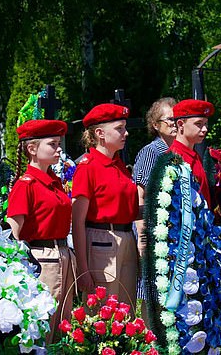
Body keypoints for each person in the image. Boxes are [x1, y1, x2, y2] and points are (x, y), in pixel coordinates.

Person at [6, 119, 75, 345]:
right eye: (52, 144)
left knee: (63, 323)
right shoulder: (26, 185)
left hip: (63, 254)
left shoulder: (53, 181)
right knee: (44, 322)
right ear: (32, 149)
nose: (59, 149)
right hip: (42, 259)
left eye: (58, 144)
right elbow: (13, 233)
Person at [71, 103, 138, 305]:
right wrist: (83, 268)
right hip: (102, 241)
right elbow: (77, 221)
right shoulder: (88, 167)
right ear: (100, 133)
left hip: (126, 238)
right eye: (119, 128)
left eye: (125, 128)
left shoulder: (119, 165)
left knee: (127, 309)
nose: (125, 134)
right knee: (103, 310)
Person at [132, 97, 176, 256]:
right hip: (154, 233)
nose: (175, 123)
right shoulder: (151, 153)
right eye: (170, 119)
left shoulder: (177, 154)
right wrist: (143, 238)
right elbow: (140, 196)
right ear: (156, 125)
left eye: (178, 119)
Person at [168, 99, 215, 209]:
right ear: (180, 124)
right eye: (198, 124)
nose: (204, 129)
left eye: (205, 124)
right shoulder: (175, 158)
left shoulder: (193, 154)